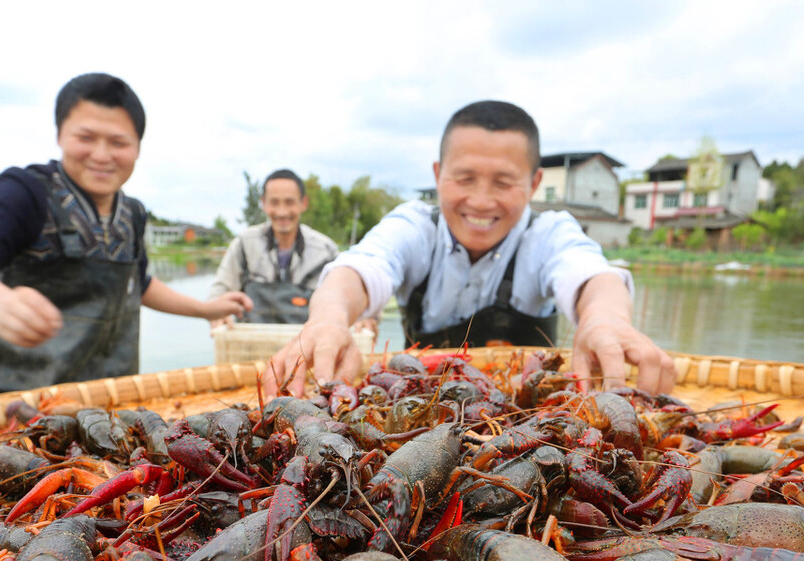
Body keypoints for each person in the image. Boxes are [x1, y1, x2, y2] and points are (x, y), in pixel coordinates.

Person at [263, 100, 675, 396]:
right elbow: (359, 268)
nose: (480, 201)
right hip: (421, 406)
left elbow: (592, 275)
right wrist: (330, 318)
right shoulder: (414, 227)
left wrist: (603, 319)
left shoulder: (548, 233)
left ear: (533, 184)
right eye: (464, 179)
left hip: (529, 415)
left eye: (503, 182)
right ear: (439, 175)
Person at [0, 73, 252, 403]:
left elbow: (137, 283)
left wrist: (205, 309)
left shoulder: (132, 213)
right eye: (86, 137)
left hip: (102, 404)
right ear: (60, 134)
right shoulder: (26, 192)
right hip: (8, 404)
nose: (101, 155)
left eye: (118, 143)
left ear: (138, 148)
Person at [208, 169, 340, 326]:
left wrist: (365, 318)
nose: (282, 212)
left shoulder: (326, 250)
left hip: (308, 344)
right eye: (274, 202)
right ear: (263, 203)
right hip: (251, 343)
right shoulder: (245, 243)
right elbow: (219, 292)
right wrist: (216, 313)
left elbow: (345, 299)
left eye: (289, 202)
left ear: (303, 203)